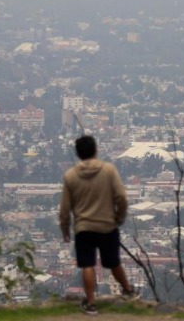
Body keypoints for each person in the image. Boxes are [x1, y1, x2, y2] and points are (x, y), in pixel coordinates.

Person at [59, 135, 138, 315]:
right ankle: (128, 290)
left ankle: (91, 303)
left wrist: (65, 229)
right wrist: (119, 218)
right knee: (113, 262)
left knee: (87, 264)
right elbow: (121, 197)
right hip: (107, 225)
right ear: (96, 150)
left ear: (78, 154)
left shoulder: (70, 176)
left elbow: (64, 209)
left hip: (84, 228)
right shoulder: (108, 170)